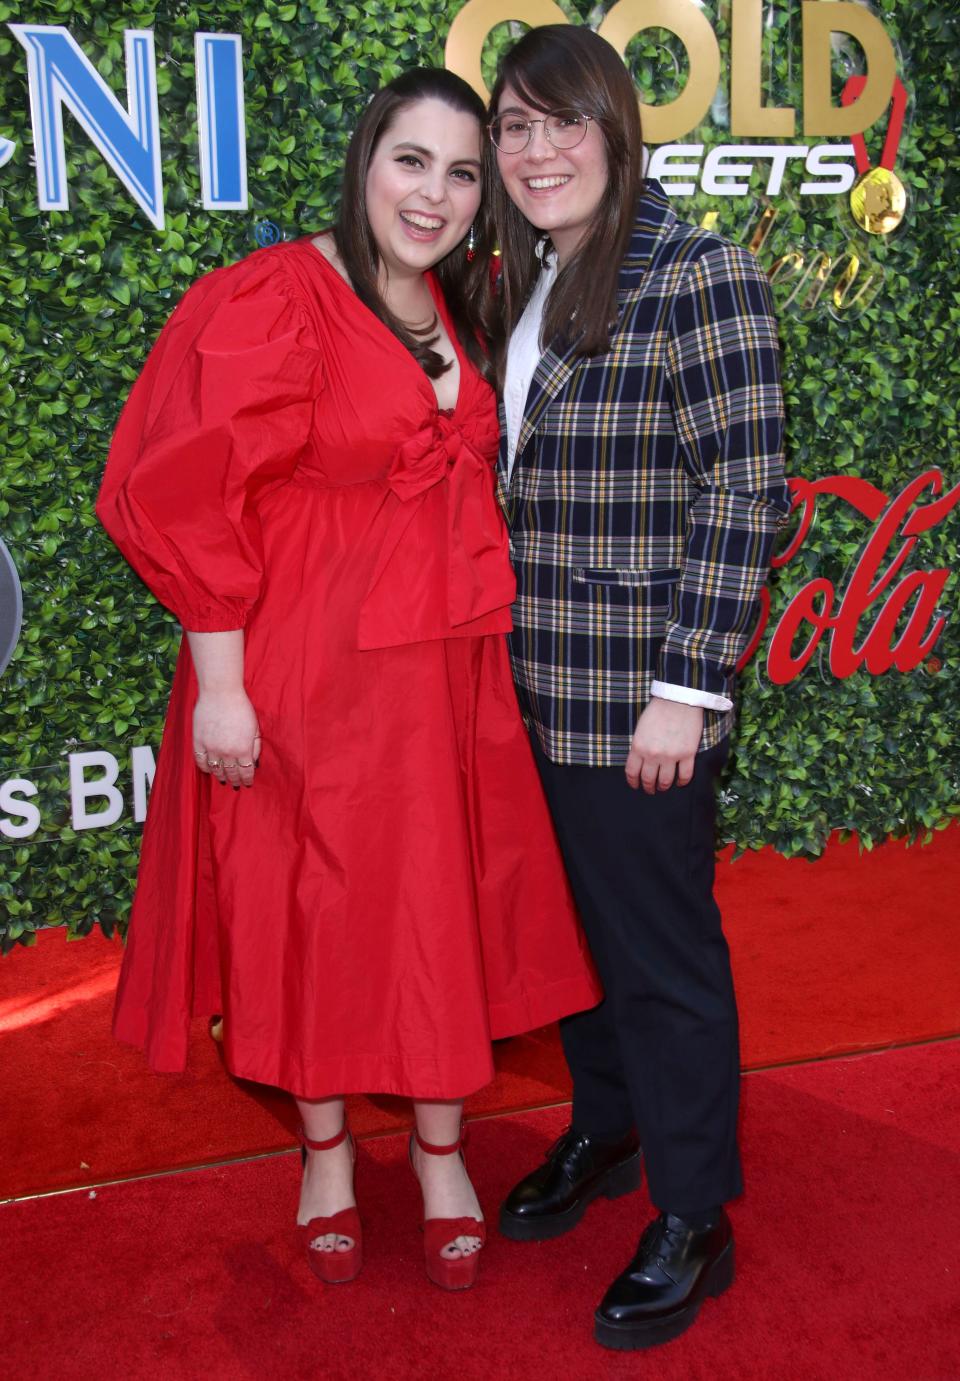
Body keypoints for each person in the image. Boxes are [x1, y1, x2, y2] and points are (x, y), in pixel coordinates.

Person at [96, 67, 600, 1293]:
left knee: (436, 908)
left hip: (440, 674)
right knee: (305, 911)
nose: (433, 193)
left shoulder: (469, 302)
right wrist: (222, 689)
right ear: (365, 157)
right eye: (411, 161)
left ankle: (439, 1153)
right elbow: (184, 494)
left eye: (462, 172)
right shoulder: (274, 296)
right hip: (302, 667)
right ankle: (324, 1152)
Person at [485, 26, 790, 1347]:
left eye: (563, 123)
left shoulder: (697, 272)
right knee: (580, 952)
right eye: (515, 126)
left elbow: (745, 490)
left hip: (640, 698)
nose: (538, 150)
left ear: (616, 129)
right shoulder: (523, 281)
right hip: (531, 685)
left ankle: (694, 1211)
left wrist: (690, 686)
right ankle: (606, 1128)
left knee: (661, 959)